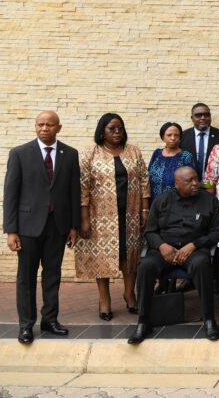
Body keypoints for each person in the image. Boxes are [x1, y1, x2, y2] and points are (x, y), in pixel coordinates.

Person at [3, 110, 81, 344]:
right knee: (26, 278)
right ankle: (26, 325)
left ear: (59, 127)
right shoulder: (19, 153)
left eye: (49, 125)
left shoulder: (70, 154)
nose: (44, 128)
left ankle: (49, 320)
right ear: (35, 127)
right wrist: (11, 230)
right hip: (27, 228)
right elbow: (10, 194)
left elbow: (73, 193)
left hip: (57, 226)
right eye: (40, 124)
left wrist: (74, 226)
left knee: (52, 275)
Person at [127, 166, 219, 344]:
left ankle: (209, 319)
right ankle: (143, 321)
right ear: (177, 184)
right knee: (146, 266)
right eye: (189, 181)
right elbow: (150, 231)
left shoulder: (209, 201)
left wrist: (194, 245)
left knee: (202, 264)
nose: (195, 183)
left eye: (196, 179)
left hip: (193, 250)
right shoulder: (162, 200)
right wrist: (162, 246)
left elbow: (217, 232)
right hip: (165, 250)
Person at [75, 113, 150, 321]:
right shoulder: (90, 153)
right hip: (101, 216)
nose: (117, 132)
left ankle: (129, 293)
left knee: (130, 253)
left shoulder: (133, 151)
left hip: (131, 213)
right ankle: (104, 299)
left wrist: (145, 210)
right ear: (102, 131)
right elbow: (83, 187)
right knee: (102, 256)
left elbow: (144, 180)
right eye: (112, 129)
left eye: (120, 128)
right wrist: (84, 218)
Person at [180, 103, 219, 180]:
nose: (203, 118)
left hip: (213, 184)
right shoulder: (182, 136)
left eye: (206, 115)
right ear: (192, 118)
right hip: (189, 185)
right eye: (198, 115)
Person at [148, 122, 195, 198]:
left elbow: (190, 181)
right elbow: (148, 175)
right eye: (169, 135)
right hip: (155, 201)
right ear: (163, 137)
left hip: (177, 202)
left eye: (176, 135)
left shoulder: (186, 156)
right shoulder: (157, 153)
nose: (173, 138)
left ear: (180, 138)